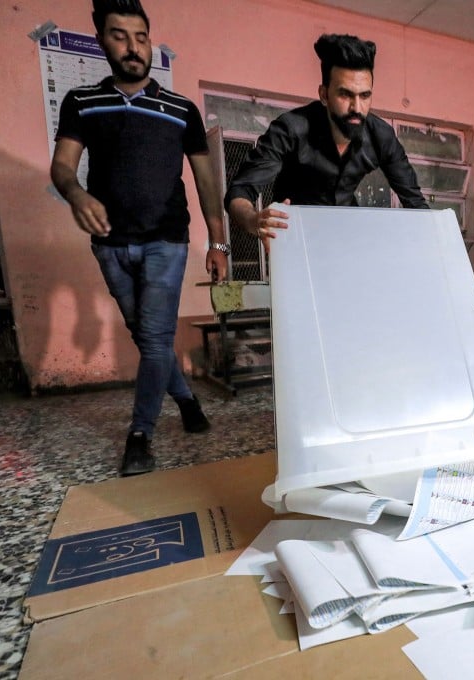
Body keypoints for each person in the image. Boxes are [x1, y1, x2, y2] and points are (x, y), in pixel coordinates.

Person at [50, 0, 228, 476]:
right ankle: (189, 404)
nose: (132, 47)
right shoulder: (82, 102)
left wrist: (218, 243)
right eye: (120, 36)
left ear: (151, 42)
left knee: (153, 340)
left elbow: (207, 181)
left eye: (141, 37)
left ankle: (140, 434)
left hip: (165, 240)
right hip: (109, 243)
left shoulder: (180, 109)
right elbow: (63, 166)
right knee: (147, 335)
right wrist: (74, 193)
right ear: (102, 41)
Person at [225, 34, 428, 243]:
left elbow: (416, 203)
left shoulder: (381, 136)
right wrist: (252, 220)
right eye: (345, 95)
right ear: (324, 94)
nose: (357, 108)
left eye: (365, 96)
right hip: (296, 238)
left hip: (348, 237)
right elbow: (240, 190)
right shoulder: (290, 129)